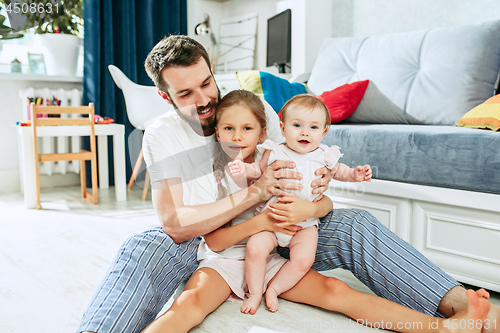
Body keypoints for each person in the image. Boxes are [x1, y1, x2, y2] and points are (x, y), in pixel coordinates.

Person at [77, 35, 500, 333]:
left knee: (356, 223)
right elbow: (174, 223)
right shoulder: (161, 135)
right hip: (202, 235)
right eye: (186, 93)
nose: (204, 99)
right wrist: (253, 198)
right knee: (142, 247)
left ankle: (466, 312)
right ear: (167, 97)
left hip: (282, 225)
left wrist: (316, 208)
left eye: (207, 82)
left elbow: (304, 174)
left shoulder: (253, 107)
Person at [140, 89, 490, 333]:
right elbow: (214, 242)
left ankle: (442, 329)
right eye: (228, 129)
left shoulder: (274, 159)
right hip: (225, 260)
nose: (236, 136)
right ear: (216, 132)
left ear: (264, 133)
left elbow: (321, 198)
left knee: (337, 292)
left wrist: (314, 204)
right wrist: (262, 217)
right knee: (189, 305)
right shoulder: (212, 172)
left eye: (247, 128)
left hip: (274, 253)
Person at [228, 94, 372, 314]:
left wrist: (355, 174)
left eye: (313, 127)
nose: (305, 132)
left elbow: (340, 171)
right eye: (297, 125)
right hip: (273, 219)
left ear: (323, 132)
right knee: (255, 248)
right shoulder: (276, 151)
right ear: (283, 128)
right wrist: (243, 168)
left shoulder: (325, 155)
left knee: (304, 260)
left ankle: (274, 289)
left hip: (305, 225)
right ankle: (255, 292)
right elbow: (257, 170)